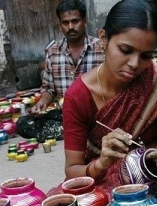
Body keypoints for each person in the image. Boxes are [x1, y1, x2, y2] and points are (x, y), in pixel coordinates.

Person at [48, 0, 157, 200]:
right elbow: (72, 170)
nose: (134, 64)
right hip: (104, 179)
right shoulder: (78, 96)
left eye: (146, 56)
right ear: (103, 38)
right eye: (125, 50)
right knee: (67, 202)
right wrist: (102, 163)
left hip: (151, 171)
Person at [15, 0, 104, 142]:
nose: (70, 27)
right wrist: (42, 103)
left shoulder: (101, 48)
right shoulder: (52, 52)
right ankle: (79, 131)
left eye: (75, 21)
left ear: (85, 22)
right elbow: (49, 89)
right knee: (23, 124)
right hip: (67, 114)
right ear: (60, 26)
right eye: (65, 23)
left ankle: (79, 131)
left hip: (96, 113)